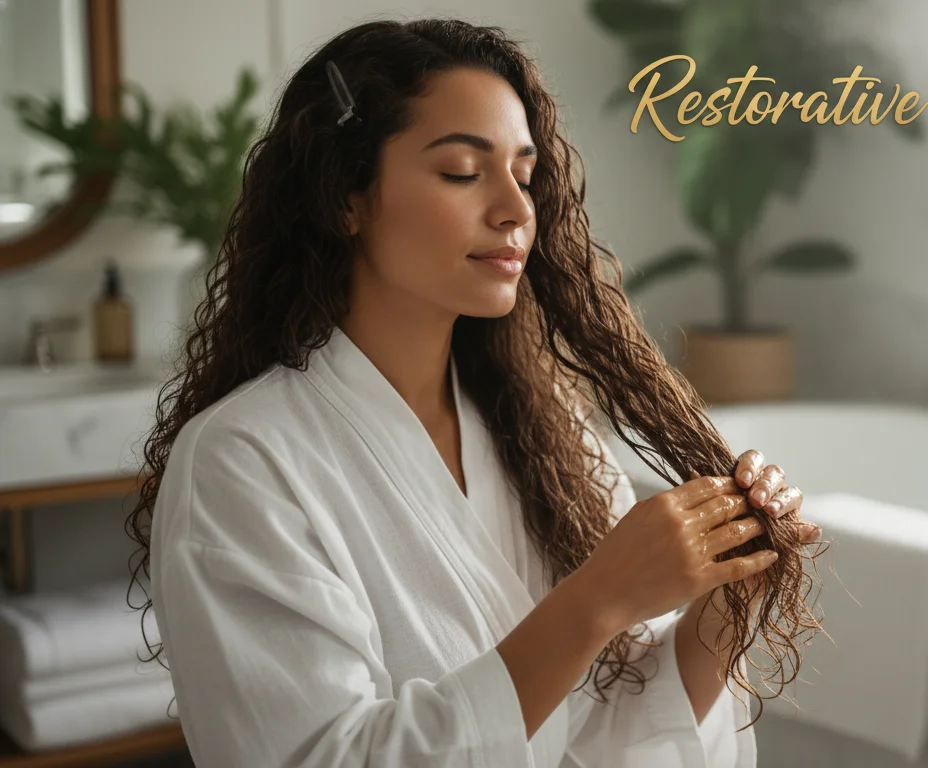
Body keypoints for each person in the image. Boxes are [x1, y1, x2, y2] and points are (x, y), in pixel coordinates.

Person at [126, 17, 822, 768]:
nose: (517, 210)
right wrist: (596, 599)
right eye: (463, 170)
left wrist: (728, 593)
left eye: (525, 175)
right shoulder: (241, 462)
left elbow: (609, 725)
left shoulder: (548, 430)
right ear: (346, 198)